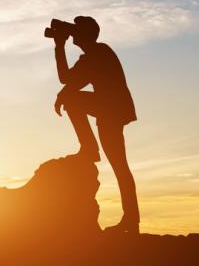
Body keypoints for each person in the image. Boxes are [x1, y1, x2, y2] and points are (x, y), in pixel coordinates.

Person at [51, 15, 140, 234]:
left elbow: (67, 80)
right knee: (120, 166)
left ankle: (131, 220)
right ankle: (132, 219)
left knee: (120, 166)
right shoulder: (93, 54)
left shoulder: (99, 52)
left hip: (112, 111)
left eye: (76, 30)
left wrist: (59, 46)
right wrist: (64, 93)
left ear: (85, 34)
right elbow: (72, 80)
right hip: (109, 110)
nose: (73, 33)